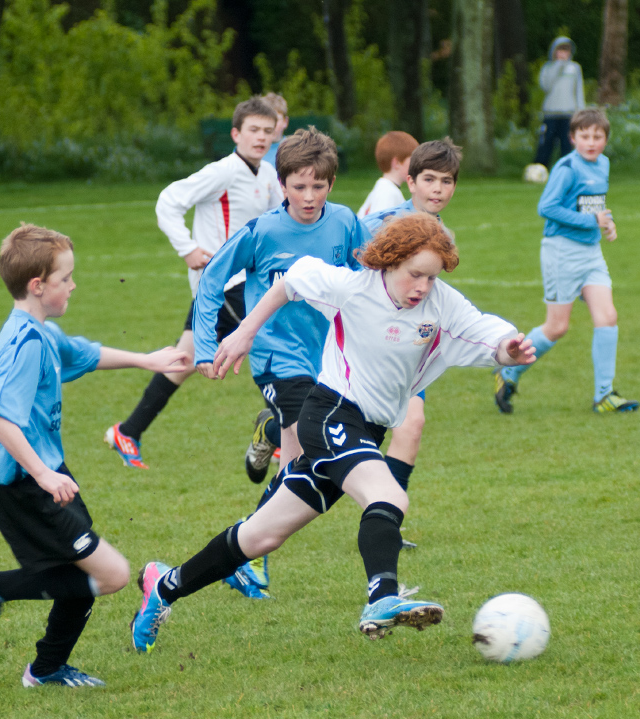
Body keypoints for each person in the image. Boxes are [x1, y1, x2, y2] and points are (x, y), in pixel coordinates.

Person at [129, 213, 535, 652]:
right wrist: (246, 332)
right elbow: (293, 280)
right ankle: (382, 598)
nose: (422, 286)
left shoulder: (440, 304)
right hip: (331, 414)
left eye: (431, 277)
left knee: (261, 536)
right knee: (390, 496)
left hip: (369, 428)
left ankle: (164, 586)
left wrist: (508, 347)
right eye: (414, 274)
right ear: (389, 262)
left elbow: (483, 330)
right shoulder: (356, 288)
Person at [0, 223, 186, 688]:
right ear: (38, 286)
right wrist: (42, 473)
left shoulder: (40, 332)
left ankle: (45, 670)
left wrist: (149, 360)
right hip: (25, 483)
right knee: (113, 574)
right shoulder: (22, 345)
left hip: (44, 474)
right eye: (66, 278)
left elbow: (84, 353)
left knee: (79, 574)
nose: (73, 285)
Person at [191, 126, 368, 598]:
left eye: (319, 186)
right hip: (275, 356)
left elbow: (371, 277)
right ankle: (251, 557)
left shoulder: (347, 223)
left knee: (298, 458)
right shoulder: (264, 230)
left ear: (331, 184)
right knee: (299, 459)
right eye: (299, 186)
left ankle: (266, 434)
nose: (309, 197)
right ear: (282, 183)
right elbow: (211, 280)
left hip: (327, 358)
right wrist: (207, 347)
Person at [104, 96, 282, 469]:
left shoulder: (267, 175)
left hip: (245, 281)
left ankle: (128, 431)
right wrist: (187, 248)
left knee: (183, 359)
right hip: (220, 282)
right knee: (269, 338)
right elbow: (169, 201)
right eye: (253, 130)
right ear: (236, 133)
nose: (261, 137)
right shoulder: (222, 171)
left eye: (268, 130)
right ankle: (279, 432)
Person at [495, 108, 639, 414]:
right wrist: (591, 221)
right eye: (584, 136)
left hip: (591, 254)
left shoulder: (604, 165)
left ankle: (604, 395)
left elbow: (593, 206)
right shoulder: (567, 167)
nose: (591, 142)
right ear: (572, 138)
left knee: (607, 317)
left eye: (597, 136)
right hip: (561, 251)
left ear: (605, 139)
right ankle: (509, 371)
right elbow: (546, 207)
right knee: (557, 327)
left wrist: (606, 223)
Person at [361, 138, 461, 498]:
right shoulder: (384, 225)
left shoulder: (442, 233)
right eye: (430, 179)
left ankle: (386, 517)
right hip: (363, 347)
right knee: (326, 447)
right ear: (411, 181)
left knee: (411, 425)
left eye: (447, 181)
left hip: (407, 348)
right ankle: (277, 431)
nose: (438, 188)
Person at [532, 37, 585, 169]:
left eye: (566, 50)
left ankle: (567, 170)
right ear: (554, 52)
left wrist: (581, 111)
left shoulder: (575, 68)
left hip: (568, 113)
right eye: (560, 50)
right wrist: (557, 67)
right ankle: (540, 169)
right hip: (551, 113)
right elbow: (545, 86)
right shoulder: (548, 68)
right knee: (546, 143)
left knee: (567, 144)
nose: (563, 53)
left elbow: (578, 90)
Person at [357, 131, 419, 217]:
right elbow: (378, 227)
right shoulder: (388, 193)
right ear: (396, 163)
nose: (416, 164)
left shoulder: (385, 188)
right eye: (412, 160)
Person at [262, 92, 289, 167]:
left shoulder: (294, 151)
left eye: (276, 120)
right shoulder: (246, 149)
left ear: (285, 122)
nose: (271, 126)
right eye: (266, 119)